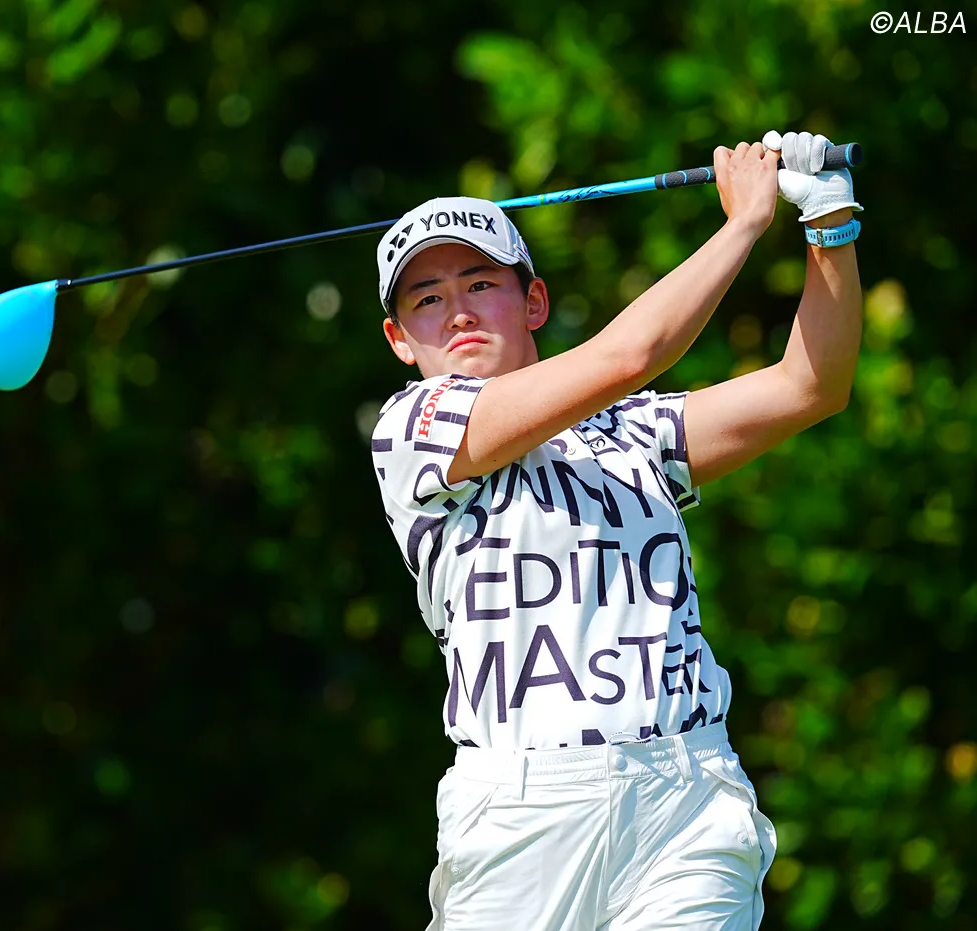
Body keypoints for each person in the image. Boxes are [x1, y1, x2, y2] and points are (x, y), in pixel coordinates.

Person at [368, 131, 862, 930]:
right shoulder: (413, 430)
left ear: (533, 302)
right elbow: (629, 354)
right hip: (519, 818)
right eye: (426, 299)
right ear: (399, 340)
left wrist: (829, 225)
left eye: (481, 283)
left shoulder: (630, 431)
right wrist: (742, 223)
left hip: (687, 801)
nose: (456, 311)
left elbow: (812, 385)